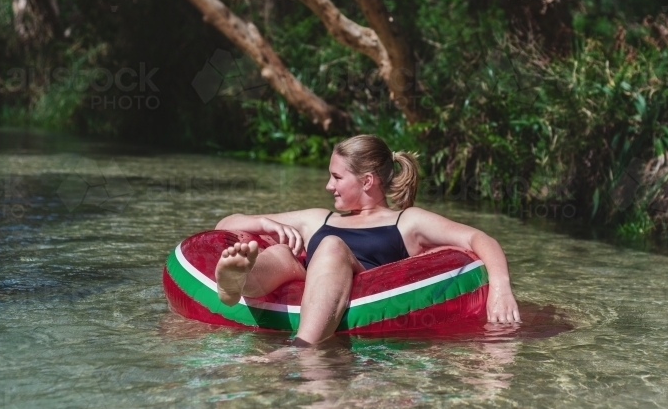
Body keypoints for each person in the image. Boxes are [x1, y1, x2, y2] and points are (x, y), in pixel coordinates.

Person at [214, 134, 521, 345]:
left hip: (359, 286)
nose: (327, 185)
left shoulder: (407, 221)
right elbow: (225, 225)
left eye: (336, 177)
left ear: (367, 181)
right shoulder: (319, 218)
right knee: (282, 252)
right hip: (306, 281)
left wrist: (501, 288)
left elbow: (479, 238)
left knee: (331, 246)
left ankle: (303, 346)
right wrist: (264, 222)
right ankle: (237, 280)